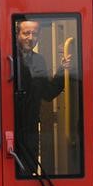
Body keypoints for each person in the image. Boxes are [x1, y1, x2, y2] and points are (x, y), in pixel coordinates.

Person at [15, 19, 72, 166]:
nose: (30, 37)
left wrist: (62, 70)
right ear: (17, 35)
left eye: (34, 34)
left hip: (31, 127)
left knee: (30, 168)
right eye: (26, 33)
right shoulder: (7, 59)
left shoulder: (39, 60)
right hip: (10, 126)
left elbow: (48, 93)